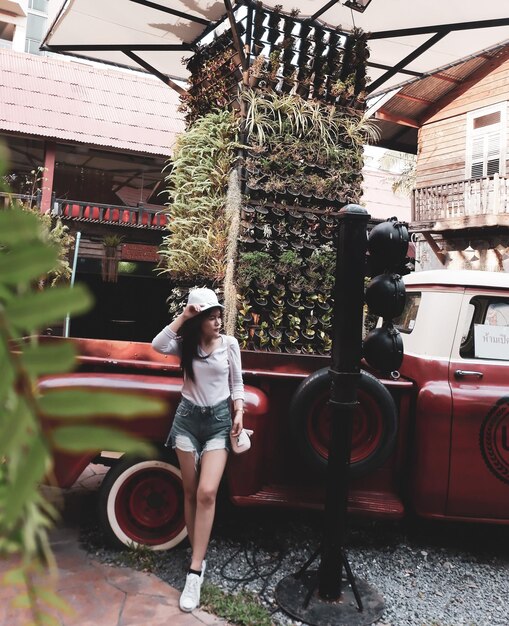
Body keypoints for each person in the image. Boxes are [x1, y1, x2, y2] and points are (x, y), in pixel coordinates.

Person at [151, 287, 244, 612]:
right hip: (187, 420)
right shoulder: (185, 346)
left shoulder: (229, 344)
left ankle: (194, 570)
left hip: (219, 421)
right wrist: (185, 315)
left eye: (219, 315)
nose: (218, 321)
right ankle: (197, 556)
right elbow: (158, 345)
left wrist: (239, 411)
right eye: (211, 316)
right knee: (189, 491)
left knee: (207, 492)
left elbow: (236, 383)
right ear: (199, 319)